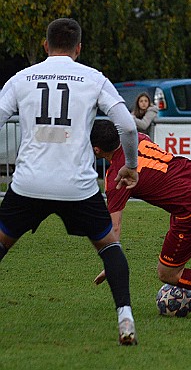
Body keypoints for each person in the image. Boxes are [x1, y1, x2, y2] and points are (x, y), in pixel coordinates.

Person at [0, 18, 139, 346]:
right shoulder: (93, 79)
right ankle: (126, 318)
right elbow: (129, 128)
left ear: (45, 46)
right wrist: (130, 166)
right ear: (78, 49)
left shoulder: (21, 79)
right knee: (109, 247)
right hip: (76, 186)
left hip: (28, 184)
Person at [90, 119, 191, 302]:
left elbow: (114, 227)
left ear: (96, 150)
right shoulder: (139, 138)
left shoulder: (118, 177)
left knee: (167, 273)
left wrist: (110, 262)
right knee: (188, 240)